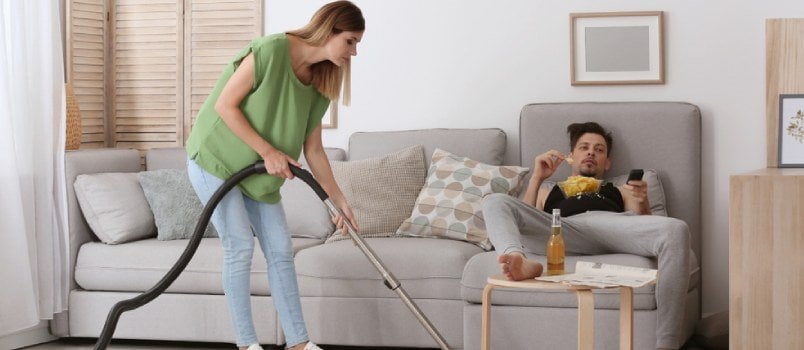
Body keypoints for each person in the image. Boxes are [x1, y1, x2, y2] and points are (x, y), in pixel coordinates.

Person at [184, 2, 364, 350]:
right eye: (351, 41)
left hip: (259, 175)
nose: (354, 52)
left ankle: (298, 343)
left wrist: (339, 202)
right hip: (215, 161)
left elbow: (313, 150)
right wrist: (268, 152)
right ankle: (247, 344)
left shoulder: (320, 84)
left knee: (281, 251)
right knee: (239, 245)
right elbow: (225, 105)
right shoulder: (271, 51)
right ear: (330, 31)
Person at [482, 122, 691, 350]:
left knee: (677, 229)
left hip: (611, 228)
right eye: (584, 147)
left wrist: (643, 200)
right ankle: (518, 259)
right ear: (571, 156)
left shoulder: (620, 189)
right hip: (560, 230)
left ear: (607, 162)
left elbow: (645, 226)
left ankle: (667, 345)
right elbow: (522, 220)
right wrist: (537, 178)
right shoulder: (547, 190)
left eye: (599, 149)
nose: (591, 152)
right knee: (494, 201)